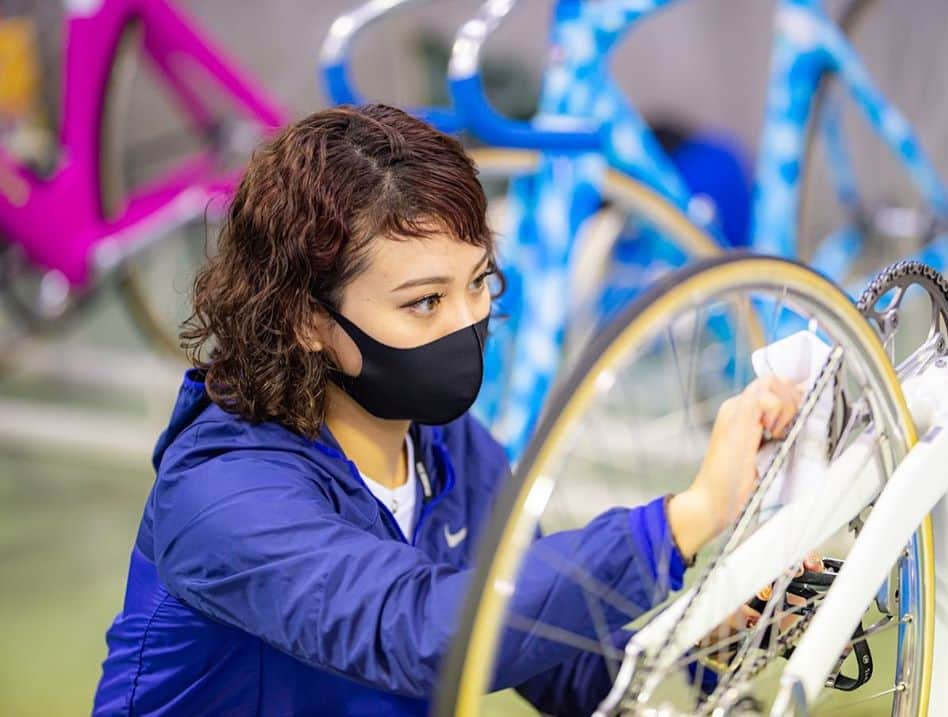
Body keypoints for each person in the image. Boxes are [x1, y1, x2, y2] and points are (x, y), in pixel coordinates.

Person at [92, 104, 802, 716]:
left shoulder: (445, 448)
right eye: (425, 301)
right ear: (308, 319)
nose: (468, 323)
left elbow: (563, 664)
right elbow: (419, 632)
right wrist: (689, 515)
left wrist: (708, 633)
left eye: (479, 281)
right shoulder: (221, 493)